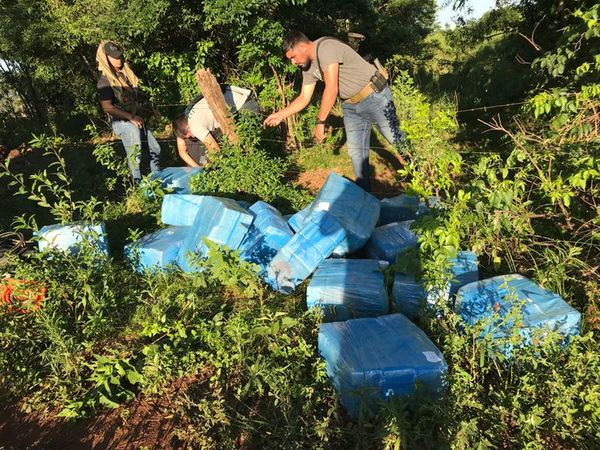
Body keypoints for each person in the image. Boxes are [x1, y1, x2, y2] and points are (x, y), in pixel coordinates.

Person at [264, 31, 409, 192]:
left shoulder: (326, 48)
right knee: (356, 152)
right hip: (350, 106)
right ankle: (364, 197)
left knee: (395, 138)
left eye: (293, 57)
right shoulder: (308, 68)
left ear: (303, 47)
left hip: (374, 96)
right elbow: (304, 97)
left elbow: (332, 88)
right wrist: (280, 115)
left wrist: (320, 122)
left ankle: (425, 175)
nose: (293, 62)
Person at [96, 41, 161, 183]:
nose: (118, 60)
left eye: (120, 56)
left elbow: (137, 97)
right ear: (106, 59)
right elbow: (107, 107)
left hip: (137, 118)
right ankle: (137, 186)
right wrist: (130, 117)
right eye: (114, 57)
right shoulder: (105, 82)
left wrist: (151, 109)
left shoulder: (126, 76)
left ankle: (157, 180)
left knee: (155, 148)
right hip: (123, 122)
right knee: (135, 155)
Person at [172, 85, 258, 166]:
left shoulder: (194, 125)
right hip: (243, 100)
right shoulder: (192, 116)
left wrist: (207, 167)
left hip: (242, 108)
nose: (192, 137)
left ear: (187, 128)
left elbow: (215, 150)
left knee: (251, 147)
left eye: (189, 135)